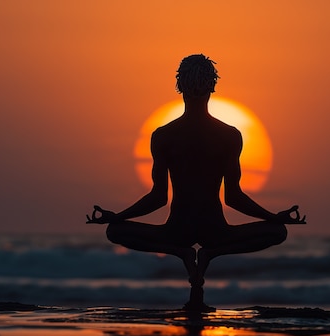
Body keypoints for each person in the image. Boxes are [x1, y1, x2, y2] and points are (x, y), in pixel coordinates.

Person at [87, 54, 306, 310]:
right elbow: (233, 197)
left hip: (176, 232)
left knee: (115, 230)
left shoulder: (164, 136)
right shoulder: (229, 136)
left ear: (179, 86)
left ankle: (184, 252)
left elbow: (158, 197)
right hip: (215, 232)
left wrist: (117, 216)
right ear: (213, 86)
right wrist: (273, 217)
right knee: (277, 231)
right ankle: (209, 254)